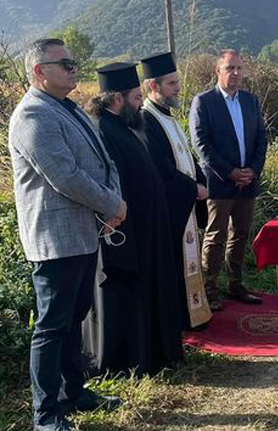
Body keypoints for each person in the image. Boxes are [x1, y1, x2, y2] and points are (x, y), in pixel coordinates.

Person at [9, 38, 124, 431]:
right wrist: (112, 204)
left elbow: (104, 160)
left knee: (74, 318)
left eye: (73, 63)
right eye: (66, 64)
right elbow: (65, 177)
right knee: (52, 326)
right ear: (39, 71)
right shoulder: (33, 115)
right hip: (55, 240)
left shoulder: (69, 107)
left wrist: (112, 203)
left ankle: (74, 392)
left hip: (82, 233)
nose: (74, 69)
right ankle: (45, 414)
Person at [82, 63, 184, 376]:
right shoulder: (103, 130)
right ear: (117, 99)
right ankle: (127, 360)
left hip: (145, 227)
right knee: (127, 295)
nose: (141, 103)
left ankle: (152, 353)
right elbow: (109, 182)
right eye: (137, 97)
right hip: (125, 232)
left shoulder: (123, 125)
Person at [189, 50, 268, 310]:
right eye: (230, 68)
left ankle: (236, 284)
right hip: (220, 183)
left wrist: (252, 170)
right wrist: (230, 172)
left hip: (247, 182)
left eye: (239, 69)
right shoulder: (204, 102)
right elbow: (201, 144)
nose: (235, 73)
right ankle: (209, 290)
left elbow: (261, 138)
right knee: (215, 236)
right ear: (218, 71)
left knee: (240, 235)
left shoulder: (250, 100)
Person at [139, 52, 212, 328]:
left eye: (177, 82)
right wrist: (193, 188)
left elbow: (186, 156)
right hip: (170, 209)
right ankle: (182, 318)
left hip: (185, 204)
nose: (178, 88)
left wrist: (202, 181)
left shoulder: (167, 117)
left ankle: (194, 313)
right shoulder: (146, 120)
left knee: (187, 261)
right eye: (171, 84)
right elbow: (160, 168)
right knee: (176, 263)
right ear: (153, 86)